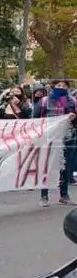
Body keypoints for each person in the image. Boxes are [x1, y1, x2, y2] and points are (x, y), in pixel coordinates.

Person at [35, 79, 77, 207]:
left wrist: (73, 117)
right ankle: (44, 196)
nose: (62, 87)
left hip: (67, 138)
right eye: (59, 85)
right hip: (49, 139)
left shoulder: (72, 101)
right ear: (53, 86)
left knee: (65, 167)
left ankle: (64, 195)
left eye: (64, 85)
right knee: (46, 167)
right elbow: (36, 118)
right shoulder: (44, 101)